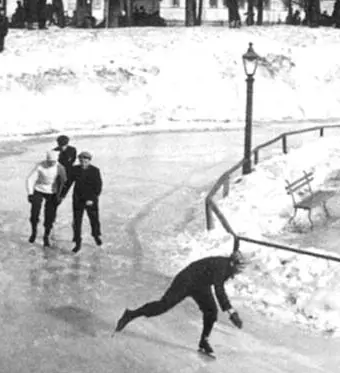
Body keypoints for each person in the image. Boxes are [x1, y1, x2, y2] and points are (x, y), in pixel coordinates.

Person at [115, 250, 247, 357]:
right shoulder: (221, 267)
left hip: (201, 285)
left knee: (211, 311)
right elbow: (219, 289)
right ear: (232, 263)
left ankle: (204, 341)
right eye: (240, 267)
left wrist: (229, 310)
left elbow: (218, 288)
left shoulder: (226, 268)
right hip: (186, 280)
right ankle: (131, 314)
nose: (240, 271)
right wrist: (231, 312)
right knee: (163, 306)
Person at [60, 150, 102, 253]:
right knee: (77, 222)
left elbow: (98, 186)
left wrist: (91, 199)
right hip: (78, 199)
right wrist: (62, 195)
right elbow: (68, 183)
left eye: (85, 160)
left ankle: (96, 235)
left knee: (94, 219)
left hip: (91, 199)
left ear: (89, 161)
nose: (83, 162)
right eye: (81, 160)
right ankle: (78, 242)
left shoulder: (95, 170)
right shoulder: (75, 169)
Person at [25, 150, 67, 247]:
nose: (51, 163)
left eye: (53, 162)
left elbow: (65, 183)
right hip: (39, 189)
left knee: (50, 216)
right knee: (34, 213)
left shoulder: (60, 168)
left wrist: (60, 196)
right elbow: (30, 179)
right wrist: (30, 193)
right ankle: (34, 232)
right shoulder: (40, 165)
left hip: (52, 192)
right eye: (49, 161)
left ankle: (46, 235)